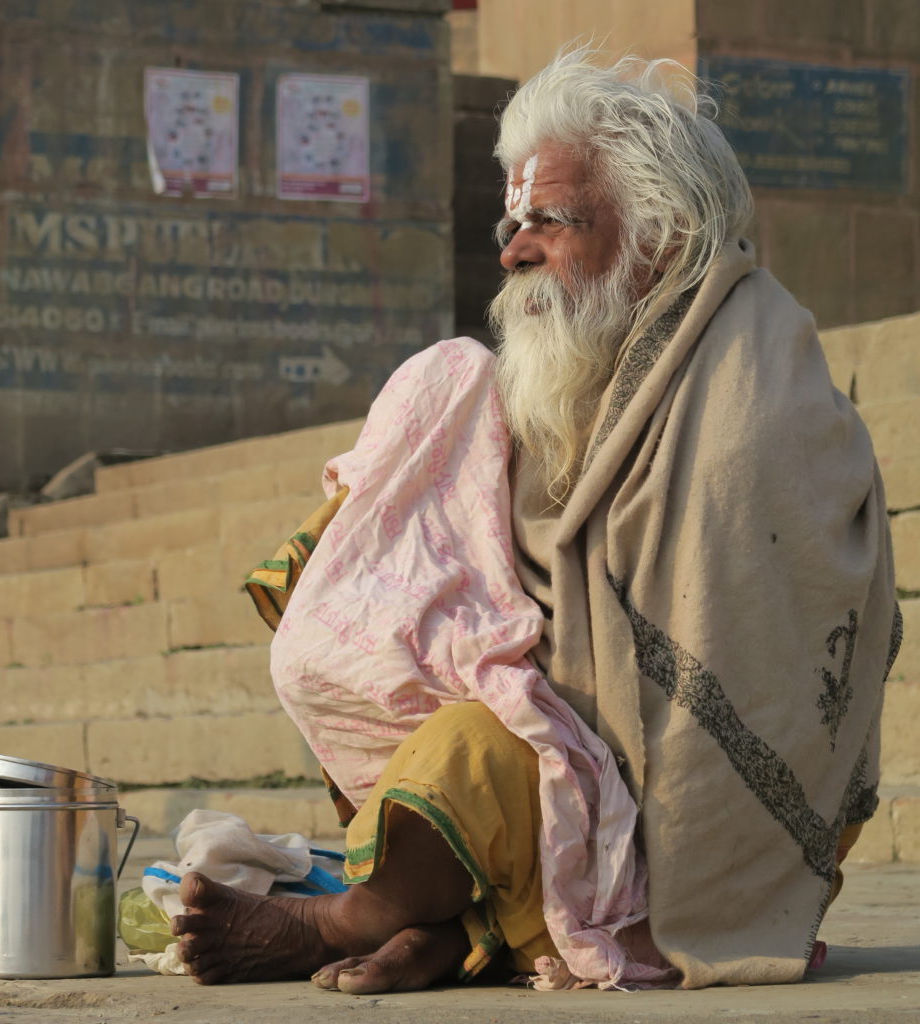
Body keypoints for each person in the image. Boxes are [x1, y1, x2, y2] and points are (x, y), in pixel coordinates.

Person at [170, 47, 901, 994]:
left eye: (548, 222)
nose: (511, 250)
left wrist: (513, 693)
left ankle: (355, 917)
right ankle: (462, 921)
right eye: (509, 222)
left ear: (661, 237)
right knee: (401, 484)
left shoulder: (747, 396)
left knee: (467, 757)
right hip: (567, 772)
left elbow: (700, 680)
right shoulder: (579, 372)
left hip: (696, 834)